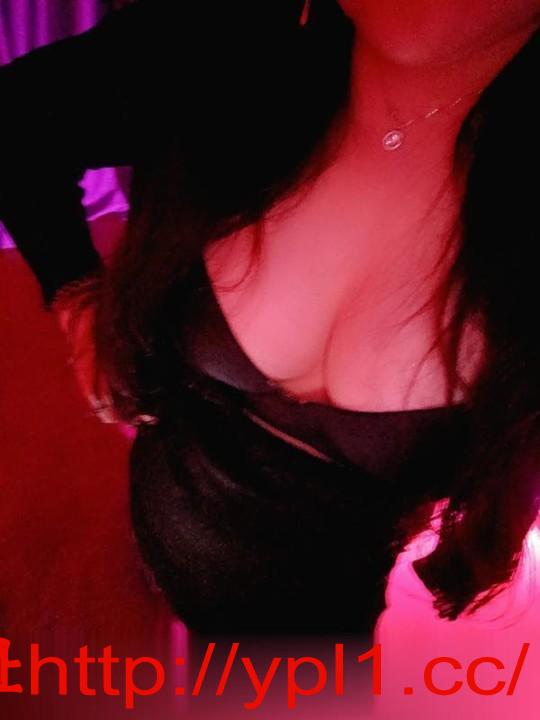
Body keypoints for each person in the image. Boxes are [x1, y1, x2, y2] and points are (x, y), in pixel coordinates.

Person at [1, 0, 540, 647]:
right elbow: (17, 122)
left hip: (324, 639)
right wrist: (75, 292)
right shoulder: (226, 41)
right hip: (162, 555)